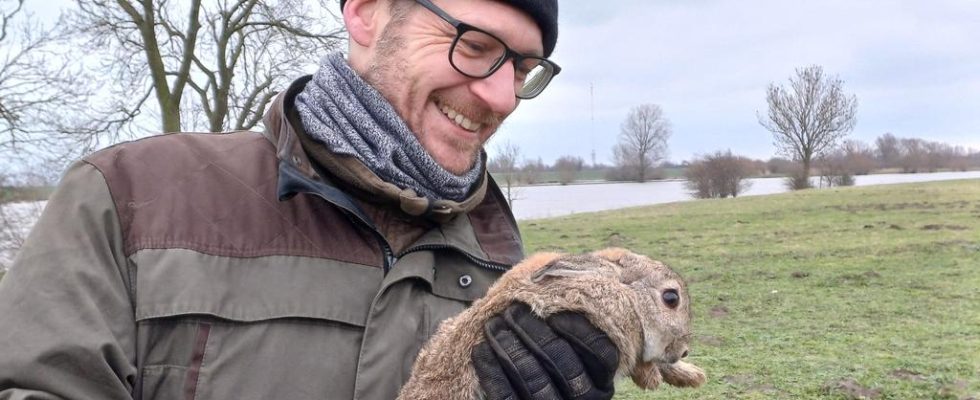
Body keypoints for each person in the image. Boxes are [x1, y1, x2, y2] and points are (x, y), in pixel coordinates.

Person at [0, 0, 619, 399]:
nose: (502, 96)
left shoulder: (498, 259)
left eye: (523, 67)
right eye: (477, 46)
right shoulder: (130, 198)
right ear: (366, 13)